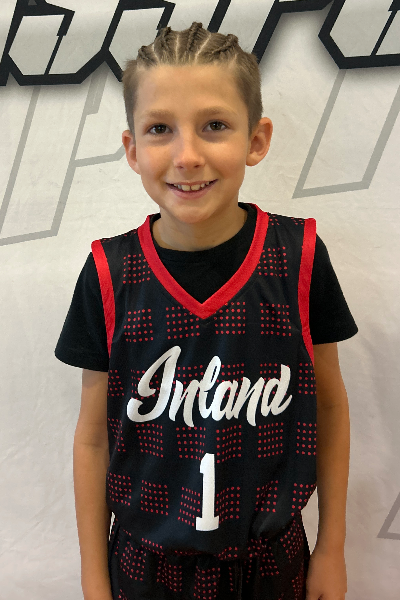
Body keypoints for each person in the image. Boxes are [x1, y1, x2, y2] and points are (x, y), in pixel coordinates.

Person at [55, 22, 357, 600]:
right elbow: (93, 440)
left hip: (272, 562)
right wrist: (94, 579)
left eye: (214, 125)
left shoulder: (298, 258)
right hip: (144, 568)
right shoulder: (109, 274)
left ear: (256, 140)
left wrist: (333, 548)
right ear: (132, 149)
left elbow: (330, 408)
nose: (187, 155)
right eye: (160, 129)